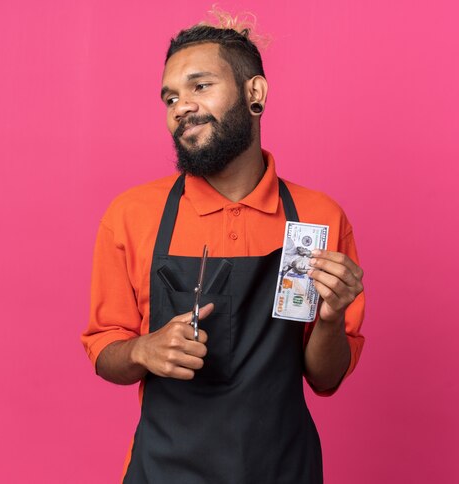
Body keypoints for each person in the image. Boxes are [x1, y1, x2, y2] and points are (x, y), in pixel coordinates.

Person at [81, 17, 365, 484]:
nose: (181, 107)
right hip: (165, 470)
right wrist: (142, 350)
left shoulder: (319, 218)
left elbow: (325, 378)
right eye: (170, 97)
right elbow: (103, 350)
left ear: (256, 94)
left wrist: (331, 317)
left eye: (201, 85)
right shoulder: (131, 215)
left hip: (283, 469)